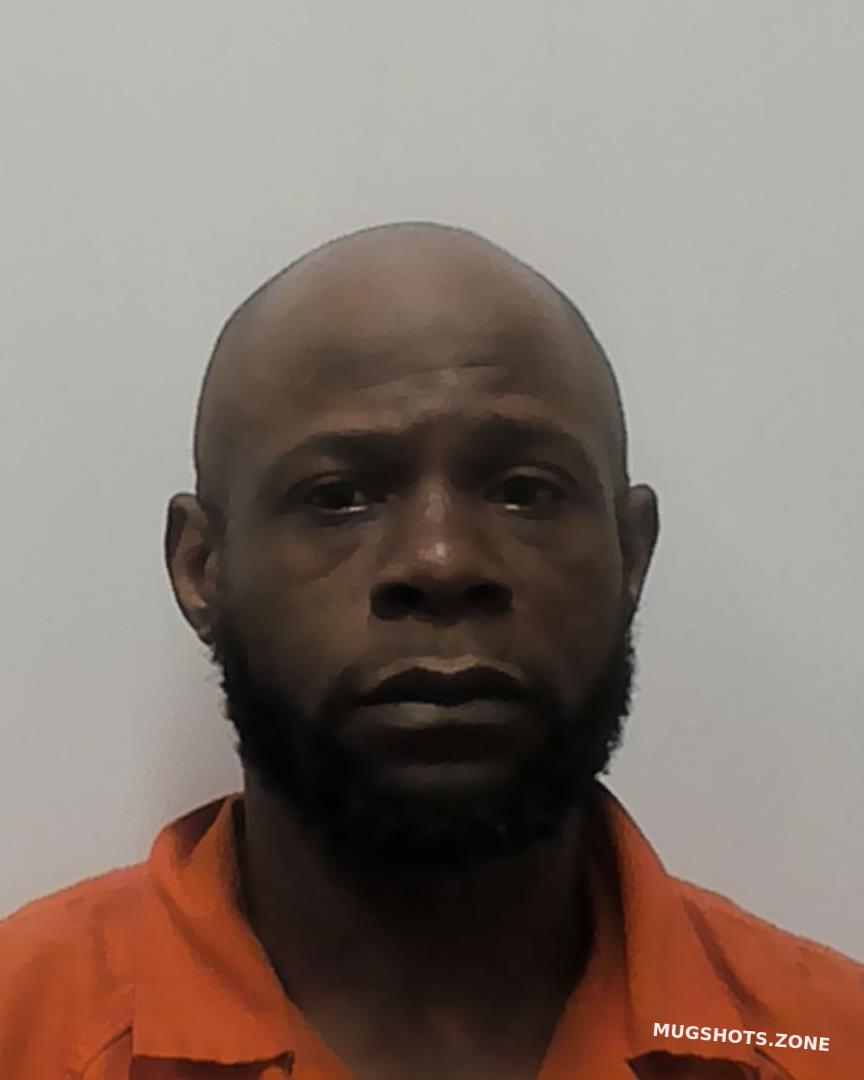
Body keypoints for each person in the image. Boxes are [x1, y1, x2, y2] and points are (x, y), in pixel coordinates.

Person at [1, 223, 861, 1080]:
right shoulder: (24, 1032)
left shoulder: (826, 1044)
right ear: (202, 570)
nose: (441, 561)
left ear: (631, 554)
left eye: (525, 491)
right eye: (337, 496)